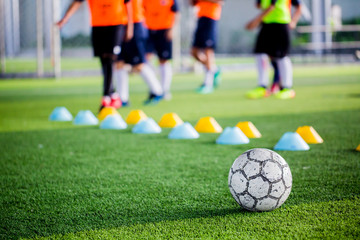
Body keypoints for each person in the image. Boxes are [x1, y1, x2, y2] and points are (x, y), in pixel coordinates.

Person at [56, 0, 134, 110]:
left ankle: (106, 96)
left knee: (110, 58)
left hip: (116, 24)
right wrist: (65, 18)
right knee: (103, 59)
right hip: (98, 25)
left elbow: (128, 3)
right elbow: (77, 2)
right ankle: (113, 94)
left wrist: (130, 26)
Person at [245, 0, 302, 99]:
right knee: (260, 53)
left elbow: (274, 7)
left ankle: (287, 88)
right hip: (267, 23)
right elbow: (259, 5)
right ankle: (262, 86)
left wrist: (294, 21)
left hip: (281, 23)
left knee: (281, 56)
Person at [114, 0, 163, 106]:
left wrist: (131, 28)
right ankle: (122, 99)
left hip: (134, 25)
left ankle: (157, 91)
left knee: (139, 64)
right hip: (120, 24)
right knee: (119, 63)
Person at [143, 0, 180, 100]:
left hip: (165, 30)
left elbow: (176, 12)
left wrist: (172, 29)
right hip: (149, 31)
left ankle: (165, 90)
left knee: (163, 60)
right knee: (145, 59)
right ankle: (155, 88)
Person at [190, 0, 223, 94]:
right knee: (194, 52)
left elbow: (219, 1)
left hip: (211, 18)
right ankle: (214, 70)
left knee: (208, 51)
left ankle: (208, 84)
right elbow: (193, 3)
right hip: (201, 18)